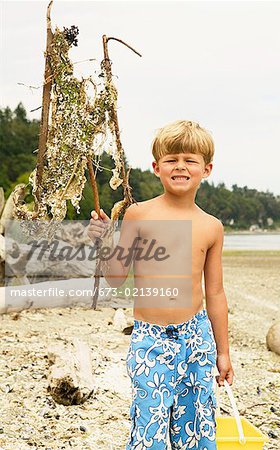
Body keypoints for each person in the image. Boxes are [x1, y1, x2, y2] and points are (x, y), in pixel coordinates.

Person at [88, 120, 234, 449]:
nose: (180, 166)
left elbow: (215, 292)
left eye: (190, 160)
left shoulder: (211, 227)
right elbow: (115, 277)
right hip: (150, 341)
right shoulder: (139, 215)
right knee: (148, 431)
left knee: (196, 430)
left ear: (206, 169)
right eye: (171, 159)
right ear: (156, 167)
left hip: (197, 339)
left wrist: (223, 353)